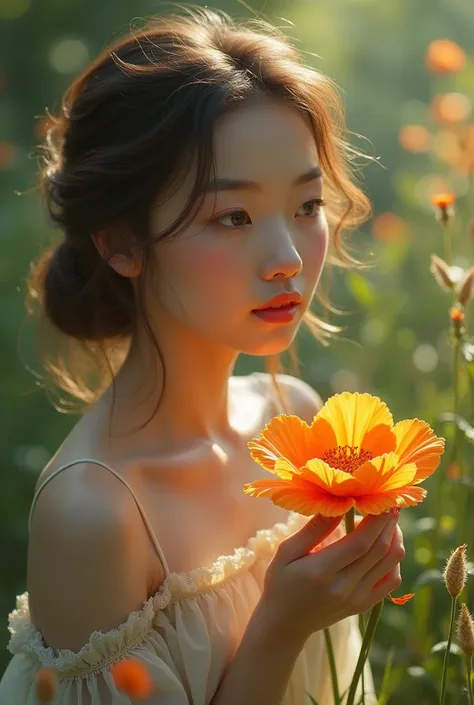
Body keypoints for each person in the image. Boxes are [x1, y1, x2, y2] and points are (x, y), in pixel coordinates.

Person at [0, 7, 405, 704]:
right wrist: (280, 622)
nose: (286, 260)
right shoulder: (92, 514)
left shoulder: (295, 423)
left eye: (307, 205)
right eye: (234, 217)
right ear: (121, 242)